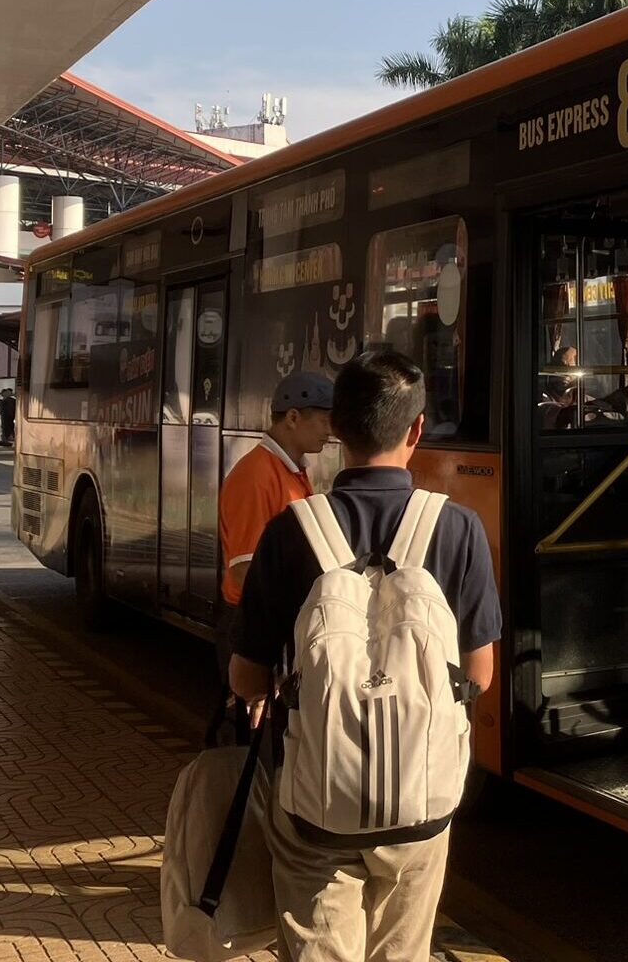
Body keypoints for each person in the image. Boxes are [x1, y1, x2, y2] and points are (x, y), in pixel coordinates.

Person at [228, 352, 500, 962]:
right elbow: (478, 675)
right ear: (416, 430)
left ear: (337, 431)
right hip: (423, 804)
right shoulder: (458, 529)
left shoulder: (291, 531)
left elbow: (246, 676)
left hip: (315, 807)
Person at [210, 370, 334, 744]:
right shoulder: (256, 476)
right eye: (325, 419)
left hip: (271, 628)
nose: (331, 430)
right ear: (293, 417)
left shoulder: (290, 471)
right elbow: (245, 572)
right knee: (255, 750)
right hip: (254, 631)